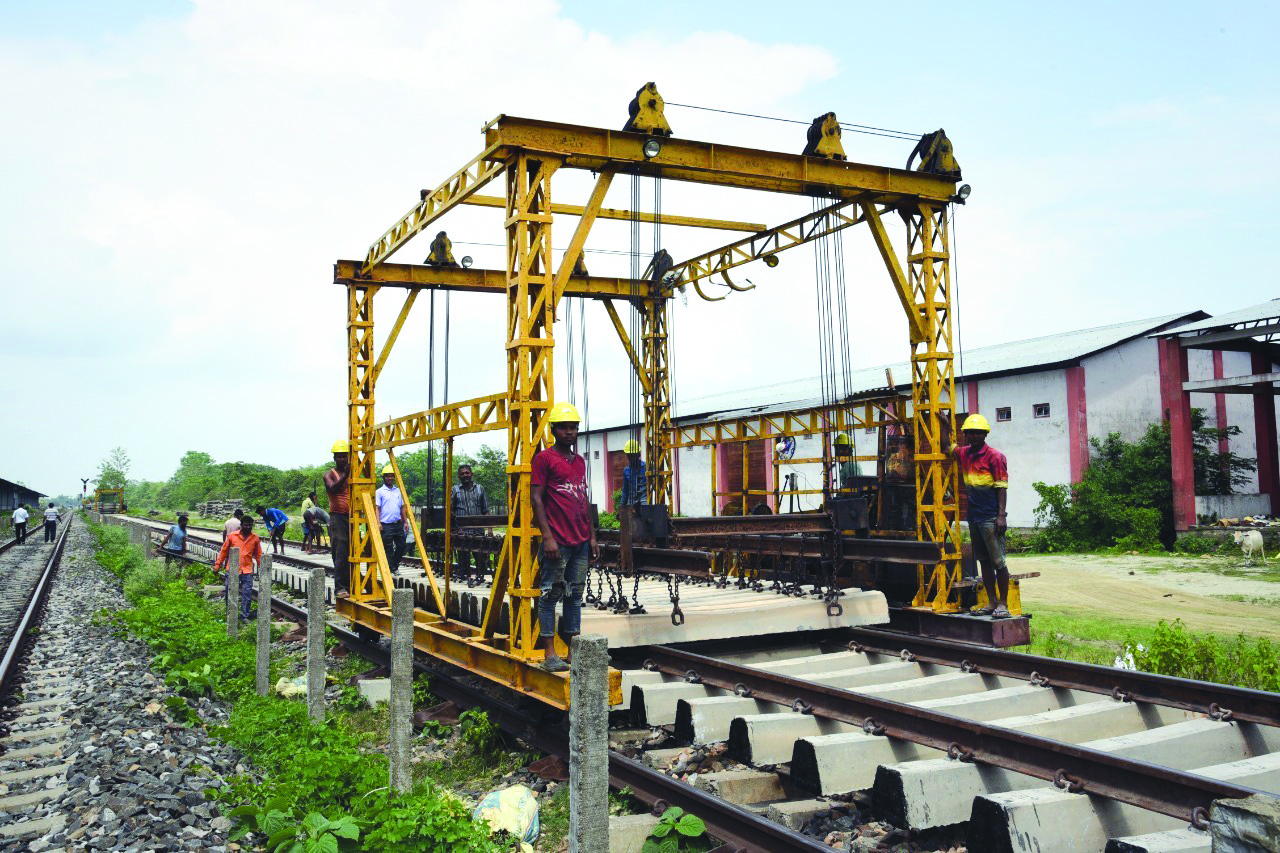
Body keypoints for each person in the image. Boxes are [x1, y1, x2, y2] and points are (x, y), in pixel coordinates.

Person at [531, 402, 598, 673]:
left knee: (574, 595)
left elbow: (584, 498)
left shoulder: (579, 462)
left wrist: (592, 536)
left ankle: (573, 653)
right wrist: (547, 537)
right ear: (554, 430)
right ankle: (550, 654)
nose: (570, 432)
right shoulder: (544, 459)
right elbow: (536, 498)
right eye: (564, 427)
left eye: (573, 428)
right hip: (557, 541)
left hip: (580, 541)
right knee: (550, 595)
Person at [942, 413, 1011, 619]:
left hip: (990, 516)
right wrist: (946, 426)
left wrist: (1001, 516)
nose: (973, 436)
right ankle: (991, 602)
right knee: (984, 561)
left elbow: (1001, 487)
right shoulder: (965, 454)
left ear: (985, 435)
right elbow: (947, 447)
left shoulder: (995, 457)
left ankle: (1003, 604)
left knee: (998, 562)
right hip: (974, 516)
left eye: (977, 433)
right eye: (970, 433)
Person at [215, 514, 262, 621]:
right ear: (241, 525)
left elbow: (258, 555)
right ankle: (230, 614)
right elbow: (224, 551)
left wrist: (261, 568)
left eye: (250, 525)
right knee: (229, 592)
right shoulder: (232, 536)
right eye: (245, 525)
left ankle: (244, 616)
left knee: (247, 594)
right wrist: (218, 565)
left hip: (247, 571)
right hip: (232, 569)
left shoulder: (255, 538)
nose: (248, 527)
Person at [450, 463, 490, 577]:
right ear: (458, 476)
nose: (465, 475)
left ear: (472, 474)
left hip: (478, 530)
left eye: (467, 473)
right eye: (462, 474)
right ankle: (464, 578)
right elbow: (451, 510)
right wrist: (456, 528)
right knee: (463, 558)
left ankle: (481, 578)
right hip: (462, 531)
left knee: (480, 558)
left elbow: (485, 509)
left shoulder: (480, 488)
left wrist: (489, 529)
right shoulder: (455, 490)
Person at [324, 440, 351, 596]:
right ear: (335, 458)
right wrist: (345, 476)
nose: (342, 459)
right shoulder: (329, 475)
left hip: (352, 518)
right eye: (339, 457)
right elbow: (332, 488)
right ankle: (340, 587)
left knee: (353, 551)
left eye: (344, 456)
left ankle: (352, 584)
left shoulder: (352, 473)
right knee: (340, 551)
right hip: (338, 517)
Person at [375, 465, 407, 573]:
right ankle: (392, 569)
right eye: (387, 476)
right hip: (386, 525)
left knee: (402, 545)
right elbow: (377, 508)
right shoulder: (379, 492)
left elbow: (402, 507)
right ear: (383, 478)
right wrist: (378, 523)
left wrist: (405, 522)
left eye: (392, 476)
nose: (390, 478)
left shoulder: (398, 491)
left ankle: (394, 565)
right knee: (388, 548)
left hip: (398, 523)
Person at [620, 440, 647, 506]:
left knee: (645, 509)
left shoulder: (647, 467)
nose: (632, 459)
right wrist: (622, 505)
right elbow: (625, 491)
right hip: (631, 502)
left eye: (633, 456)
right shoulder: (626, 471)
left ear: (639, 455)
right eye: (630, 456)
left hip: (644, 501)